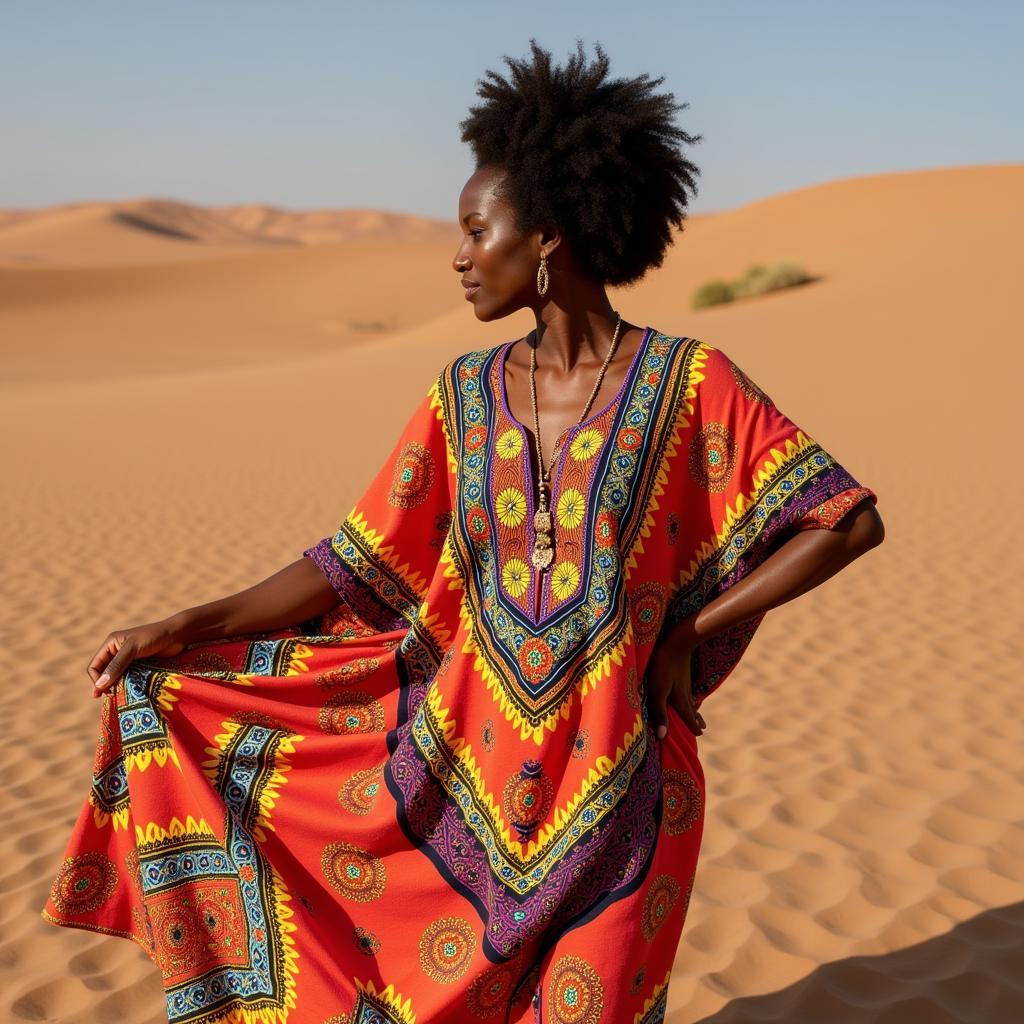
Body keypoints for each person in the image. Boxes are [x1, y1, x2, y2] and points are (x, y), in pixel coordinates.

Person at [42, 38, 884, 1024]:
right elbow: (348, 565)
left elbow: (842, 519)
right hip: (454, 799)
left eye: (476, 228)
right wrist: (182, 626)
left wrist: (685, 639)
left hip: (623, 791)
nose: (456, 253)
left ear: (550, 236)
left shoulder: (690, 384)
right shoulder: (461, 397)